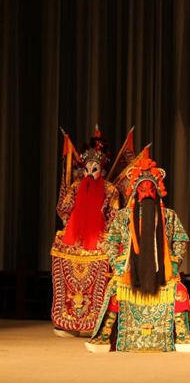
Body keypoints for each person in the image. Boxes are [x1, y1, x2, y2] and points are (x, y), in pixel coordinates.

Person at [85, 156, 190, 353]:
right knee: (114, 292)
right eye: (143, 189)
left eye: (151, 189)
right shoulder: (123, 216)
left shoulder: (169, 216)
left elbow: (181, 240)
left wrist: (174, 262)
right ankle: (104, 335)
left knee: (179, 291)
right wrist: (118, 262)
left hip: (161, 272)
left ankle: (183, 335)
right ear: (136, 192)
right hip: (130, 271)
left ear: (157, 191)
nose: (147, 193)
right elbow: (110, 241)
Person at [51, 127, 120, 337]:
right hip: (75, 237)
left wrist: (105, 235)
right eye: (87, 167)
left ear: (102, 169)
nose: (90, 171)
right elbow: (63, 209)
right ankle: (69, 321)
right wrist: (70, 226)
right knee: (61, 260)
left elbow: (114, 216)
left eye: (95, 167)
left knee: (104, 270)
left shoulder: (110, 190)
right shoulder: (75, 187)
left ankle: (95, 322)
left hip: (98, 240)